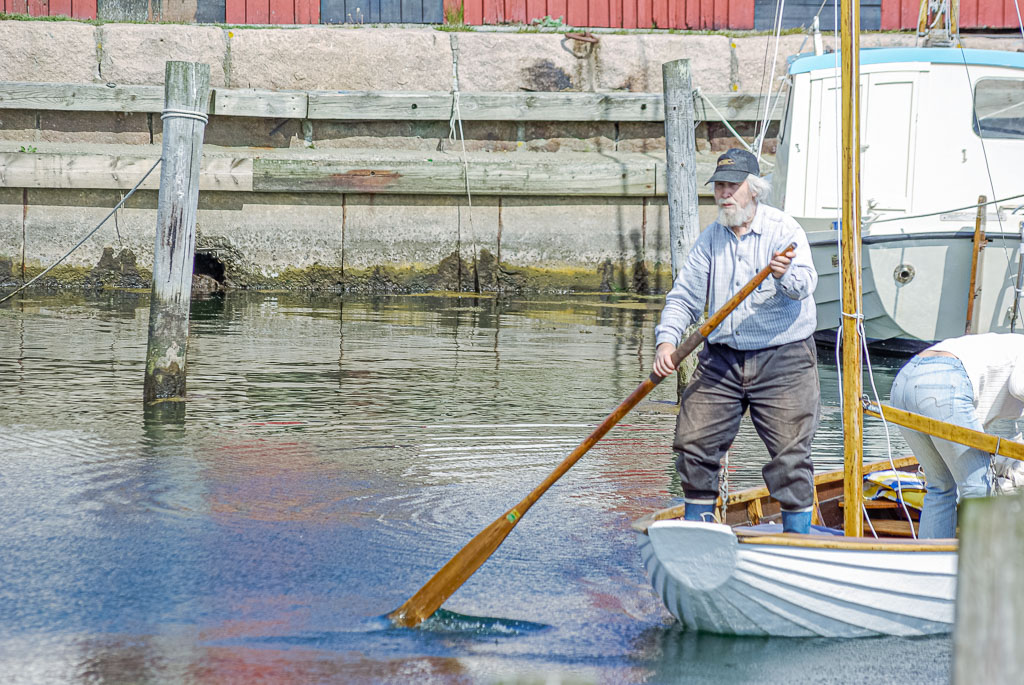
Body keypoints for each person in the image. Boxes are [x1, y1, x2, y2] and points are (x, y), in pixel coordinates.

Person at [653, 148, 820, 534]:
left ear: (754, 190)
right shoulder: (711, 239)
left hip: (784, 359)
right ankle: (698, 529)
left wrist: (783, 274)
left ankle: (798, 540)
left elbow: (805, 286)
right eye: (720, 186)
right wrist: (667, 343)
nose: (725, 194)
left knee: (790, 457)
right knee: (693, 441)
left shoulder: (784, 231)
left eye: (733, 186)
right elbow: (683, 299)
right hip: (722, 358)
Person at [889, 332, 1024, 538]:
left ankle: (931, 564)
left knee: (940, 486)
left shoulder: (1006, 348)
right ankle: (980, 567)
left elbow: (1001, 436)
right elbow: (1018, 386)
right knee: (978, 488)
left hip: (905, 380)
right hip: (944, 382)